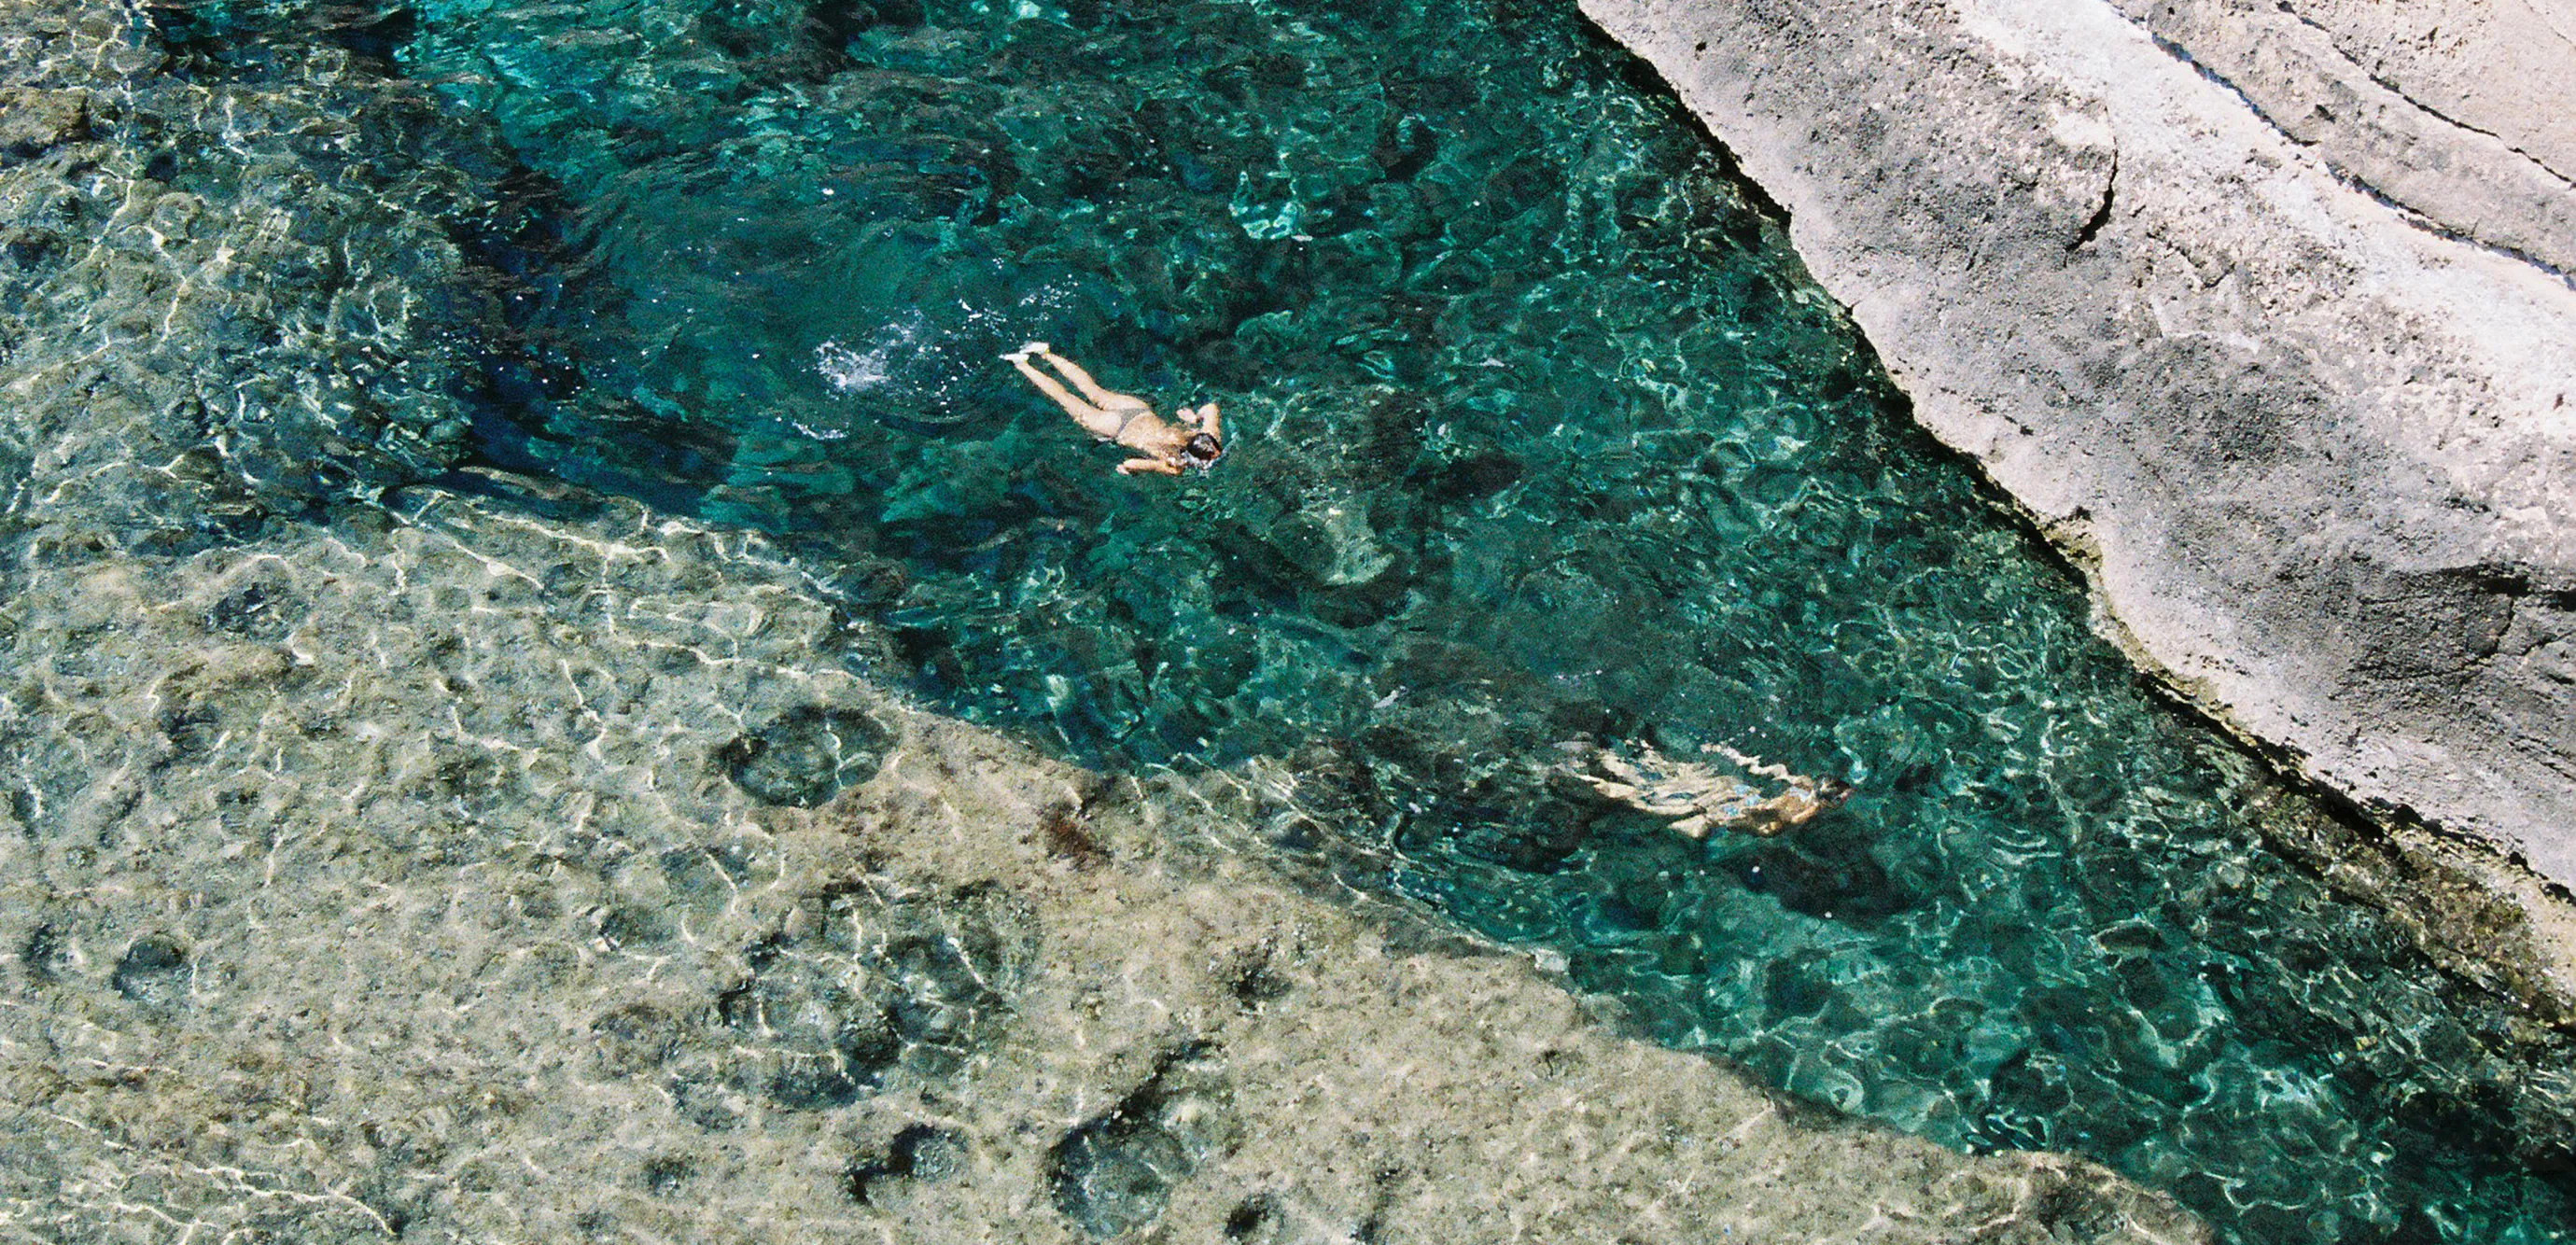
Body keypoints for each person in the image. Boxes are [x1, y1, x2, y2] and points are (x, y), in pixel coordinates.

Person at [1002, 342, 1223, 476]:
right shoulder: (1174, 466)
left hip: (1138, 410)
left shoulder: (1208, 435)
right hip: (1118, 429)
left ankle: (1045, 352)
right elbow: (1131, 462)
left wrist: (1194, 418)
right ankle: (1021, 364)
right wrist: (1127, 470)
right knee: (1064, 397)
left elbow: (1211, 408)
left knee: (1092, 389)